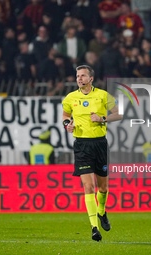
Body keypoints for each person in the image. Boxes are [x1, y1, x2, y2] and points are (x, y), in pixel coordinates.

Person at [62, 65, 122, 241]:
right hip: (82, 145)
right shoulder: (70, 97)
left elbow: (119, 114)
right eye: (77, 76)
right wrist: (68, 125)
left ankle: (102, 212)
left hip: (99, 144)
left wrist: (102, 118)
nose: (79, 79)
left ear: (91, 79)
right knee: (88, 186)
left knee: (103, 187)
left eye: (82, 76)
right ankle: (94, 227)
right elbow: (65, 116)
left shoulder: (103, 95)